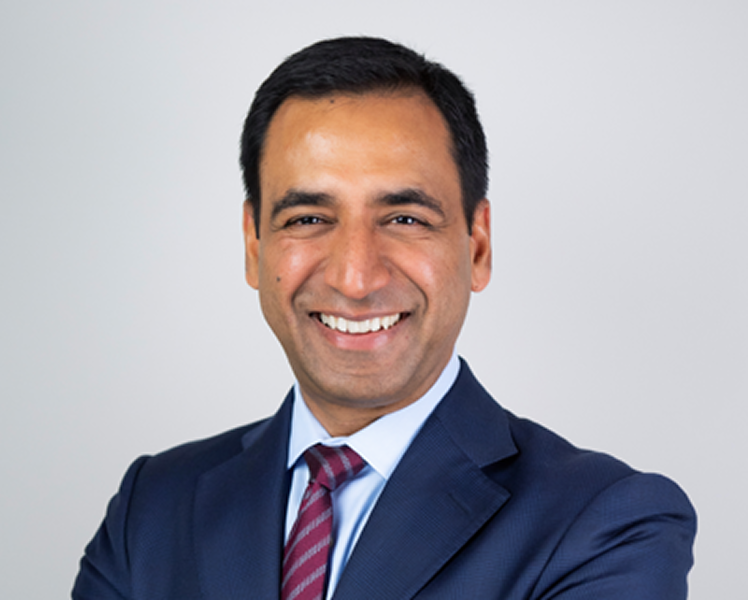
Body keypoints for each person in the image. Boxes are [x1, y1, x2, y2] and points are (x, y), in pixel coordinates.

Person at [72, 36, 696, 599]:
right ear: (254, 248)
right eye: (309, 219)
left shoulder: (607, 525)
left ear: (477, 248)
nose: (355, 276)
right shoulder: (151, 507)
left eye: (404, 219)